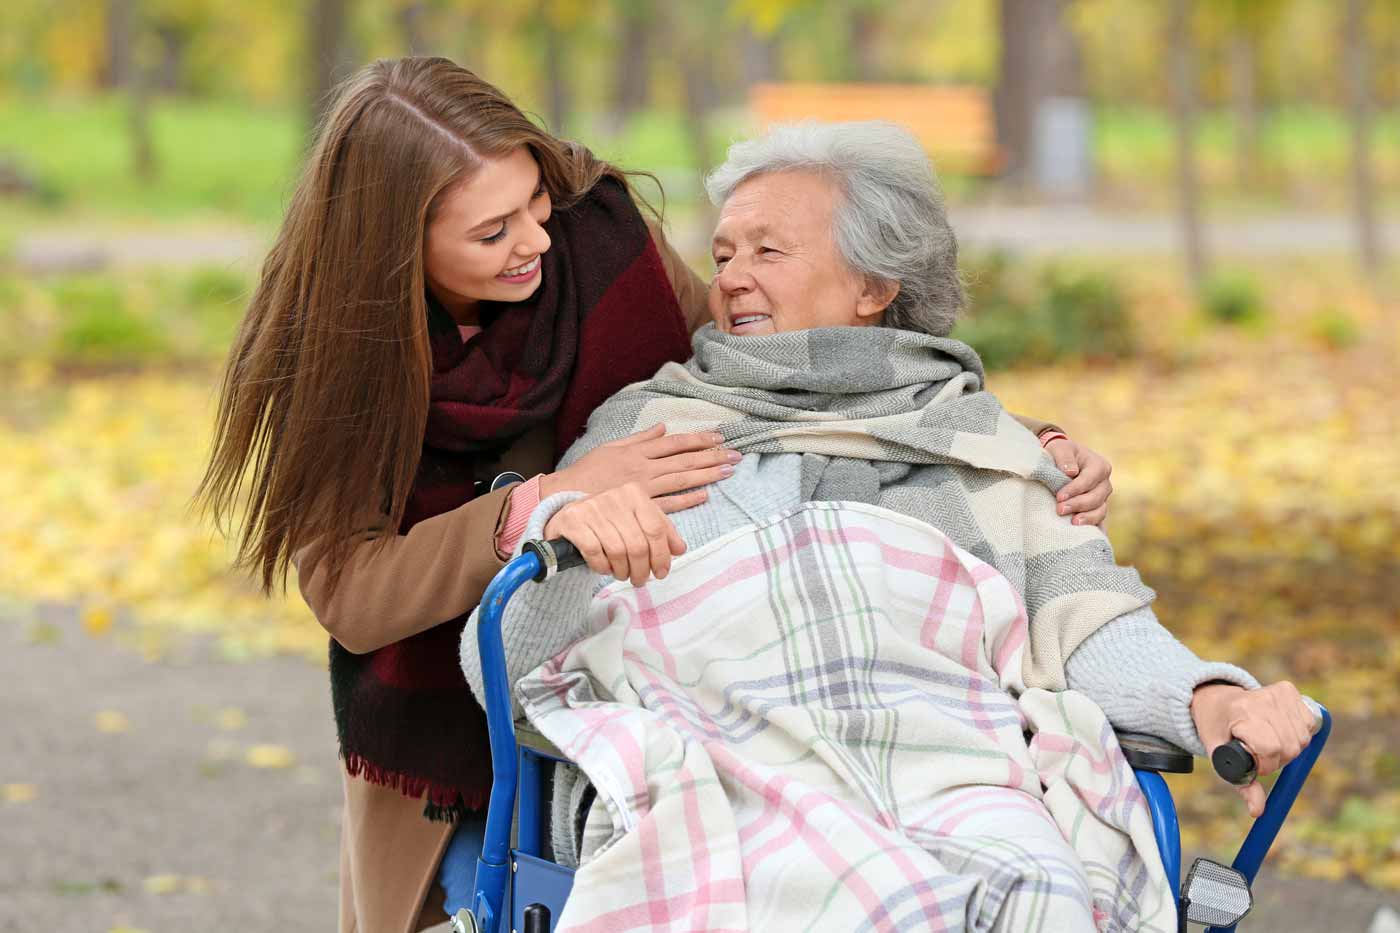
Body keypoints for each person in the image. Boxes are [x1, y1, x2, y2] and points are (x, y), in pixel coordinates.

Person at [196, 59, 1115, 933]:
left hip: (637, 652)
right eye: (492, 233)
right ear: (397, 249)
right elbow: (352, 596)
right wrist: (534, 506)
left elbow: (769, 367)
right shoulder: (339, 353)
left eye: (532, 200)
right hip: (443, 696)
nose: (536, 241)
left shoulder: (595, 237)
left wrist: (1003, 443)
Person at [459, 121, 1316, 898]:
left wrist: (1209, 698)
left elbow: (1090, 621)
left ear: (873, 285)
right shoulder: (646, 432)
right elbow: (513, 665)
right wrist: (556, 531)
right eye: (722, 257)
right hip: (716, 774)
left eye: (768, 251)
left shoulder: (983, 444)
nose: (731, 280)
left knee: (1034, 894)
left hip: (954, 777)